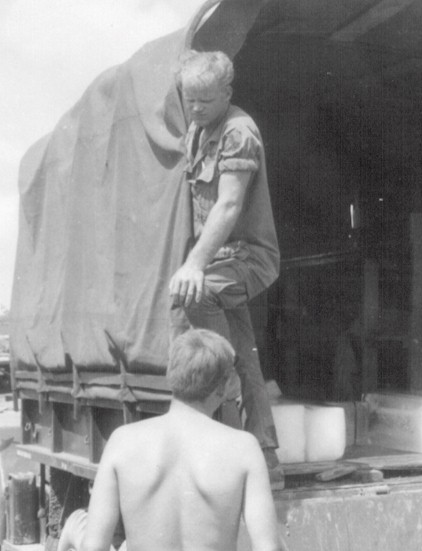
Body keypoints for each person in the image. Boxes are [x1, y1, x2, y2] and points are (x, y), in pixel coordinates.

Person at [168, 50, 282, 486]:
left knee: (189, 298)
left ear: (227, 94)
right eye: (189, 99)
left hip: (250, 257)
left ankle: (228, 443)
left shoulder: (239, 131)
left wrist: (194, 264)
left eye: (205, 101)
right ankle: (265, 456)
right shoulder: (199, 132)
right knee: (242, 353)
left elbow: (229, 203)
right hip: (222, 261)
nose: (196, 109)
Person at [79, 329, 285, 551]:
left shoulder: (122, 442)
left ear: (171, 375)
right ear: (223, 386)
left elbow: (93, 547)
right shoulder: (244, 448)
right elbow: (268, 548)